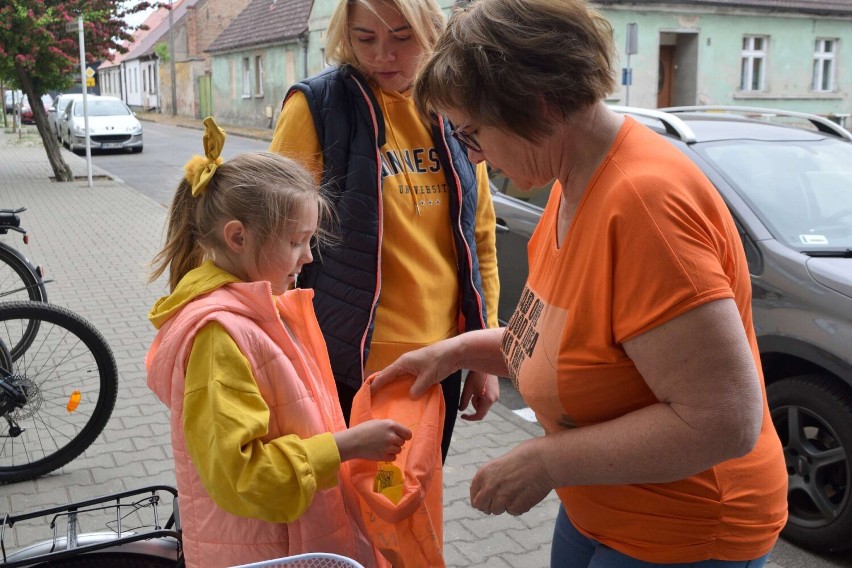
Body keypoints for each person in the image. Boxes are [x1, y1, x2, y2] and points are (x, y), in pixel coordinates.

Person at [372, 0, 789, 566]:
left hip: (682, 529)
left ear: (537, 105)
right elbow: (560, 343)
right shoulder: (572, 182)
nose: (474, 158)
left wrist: (547, 461)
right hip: (603, 503)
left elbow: (722, 421)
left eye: (472, 133)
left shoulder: (645, 206)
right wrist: (452, 353)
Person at [146, 117, 409, 568]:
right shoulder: (218, 335)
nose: (308, 257)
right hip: (268, 553)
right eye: (296, 242)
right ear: (238, 237)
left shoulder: (269, 308)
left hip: (296, 539)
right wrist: (346, 446)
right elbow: (242, 476)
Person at [269, 0, 501, 463]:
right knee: (350, 517)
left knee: (414, 512)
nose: (382, 56)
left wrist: (482, 352)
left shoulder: (452, 108)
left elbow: (479, 241)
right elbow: (272, 240)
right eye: (365, 38)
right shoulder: (318, 108)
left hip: (441, 361)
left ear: (430, 30)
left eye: (401, 37)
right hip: (350, 362)